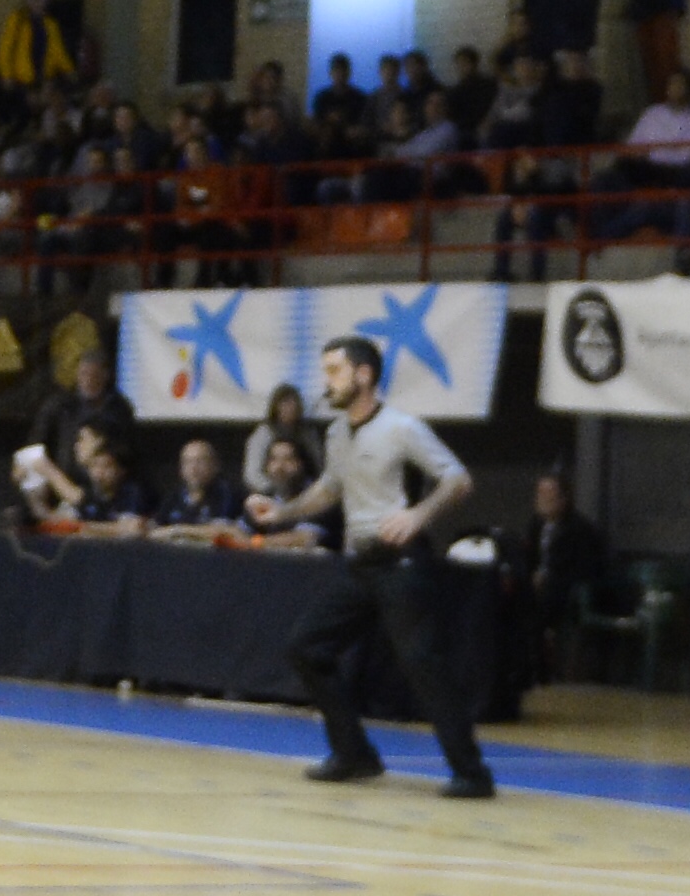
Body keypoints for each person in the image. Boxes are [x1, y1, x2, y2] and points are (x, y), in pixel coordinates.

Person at [250, 336, 490, 795]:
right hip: (360, 564)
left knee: (422, 664)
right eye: (326, 371)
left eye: (335, 371)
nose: (328, 381)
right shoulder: (337, 433)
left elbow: (458, 480)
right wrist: (280, 513)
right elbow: (328, 490)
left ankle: (472, 773)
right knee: (307, 646)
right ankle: (355, 754)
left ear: (364, 375)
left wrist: (419, 515)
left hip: (401, 564)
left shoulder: (402, 427)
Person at [496, 470, 608, 703]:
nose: (542, 501)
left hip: (566, 590)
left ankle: (539, 668)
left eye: (549, 496)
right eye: (539, 495)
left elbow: (585, 568)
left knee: (537, 608)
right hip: (538, 587)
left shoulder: (579, 529)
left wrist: (547, 576)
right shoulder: (537, 525)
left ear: (564, 499)